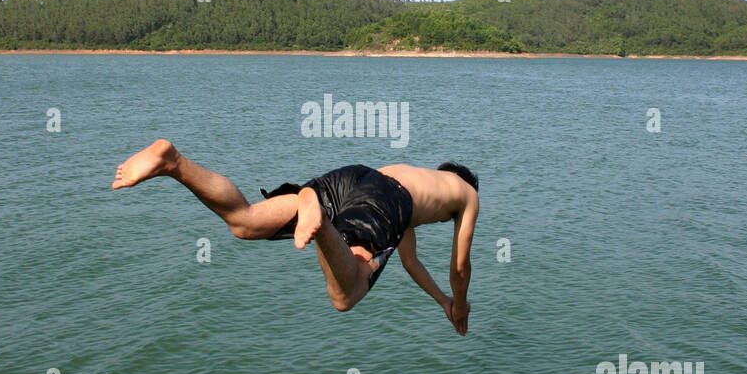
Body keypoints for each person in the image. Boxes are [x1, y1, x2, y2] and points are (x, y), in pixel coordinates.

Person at [112, 140, 479, 333]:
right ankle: (320, 223)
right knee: (346, 294)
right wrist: (460, 303)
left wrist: (442, 301)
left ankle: (173, 162)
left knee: (245, 221)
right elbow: (461, 266)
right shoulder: (467, 194)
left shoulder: (418, 180)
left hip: (356, 177)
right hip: (383, 200)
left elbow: (410, 260)